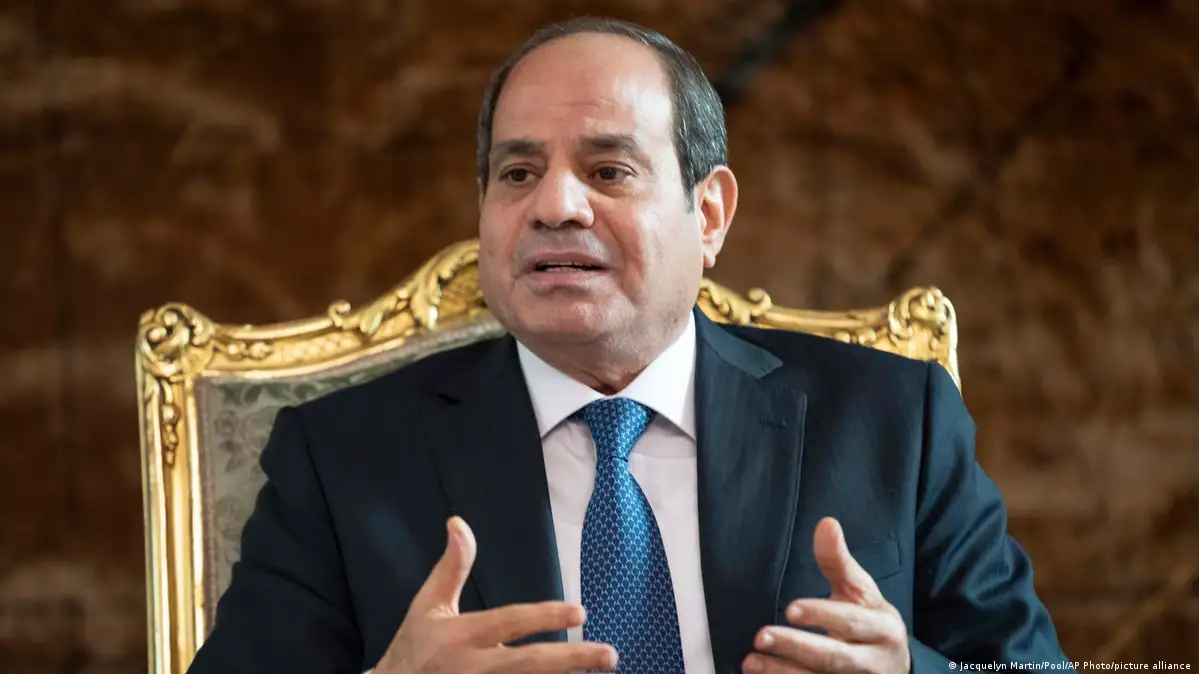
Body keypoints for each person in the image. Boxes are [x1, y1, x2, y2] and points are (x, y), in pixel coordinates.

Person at [188, 17, 1073, 674]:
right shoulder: (343, 455)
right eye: (517, 172)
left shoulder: (891, 421)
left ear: (709, 213)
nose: (554, 206)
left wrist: (909, 671)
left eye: (608, 170)